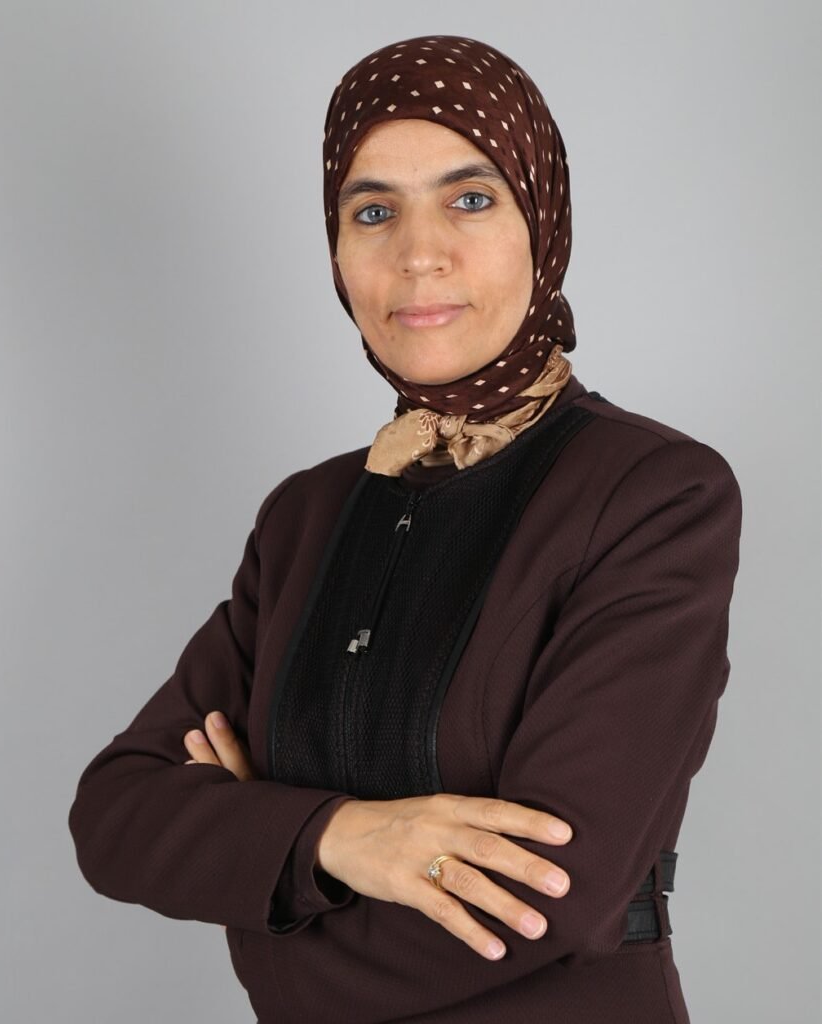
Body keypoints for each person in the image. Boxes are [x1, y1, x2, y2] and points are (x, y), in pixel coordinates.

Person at [68, 33, 742, 1023]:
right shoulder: (305, 516)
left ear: (541, 222)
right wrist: (340, 838)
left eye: (470, 199)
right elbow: (115, 814)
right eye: (373, 210)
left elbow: (542, 895)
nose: (418, 253)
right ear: (336, 251)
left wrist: (260, 893)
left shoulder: (652, 493)